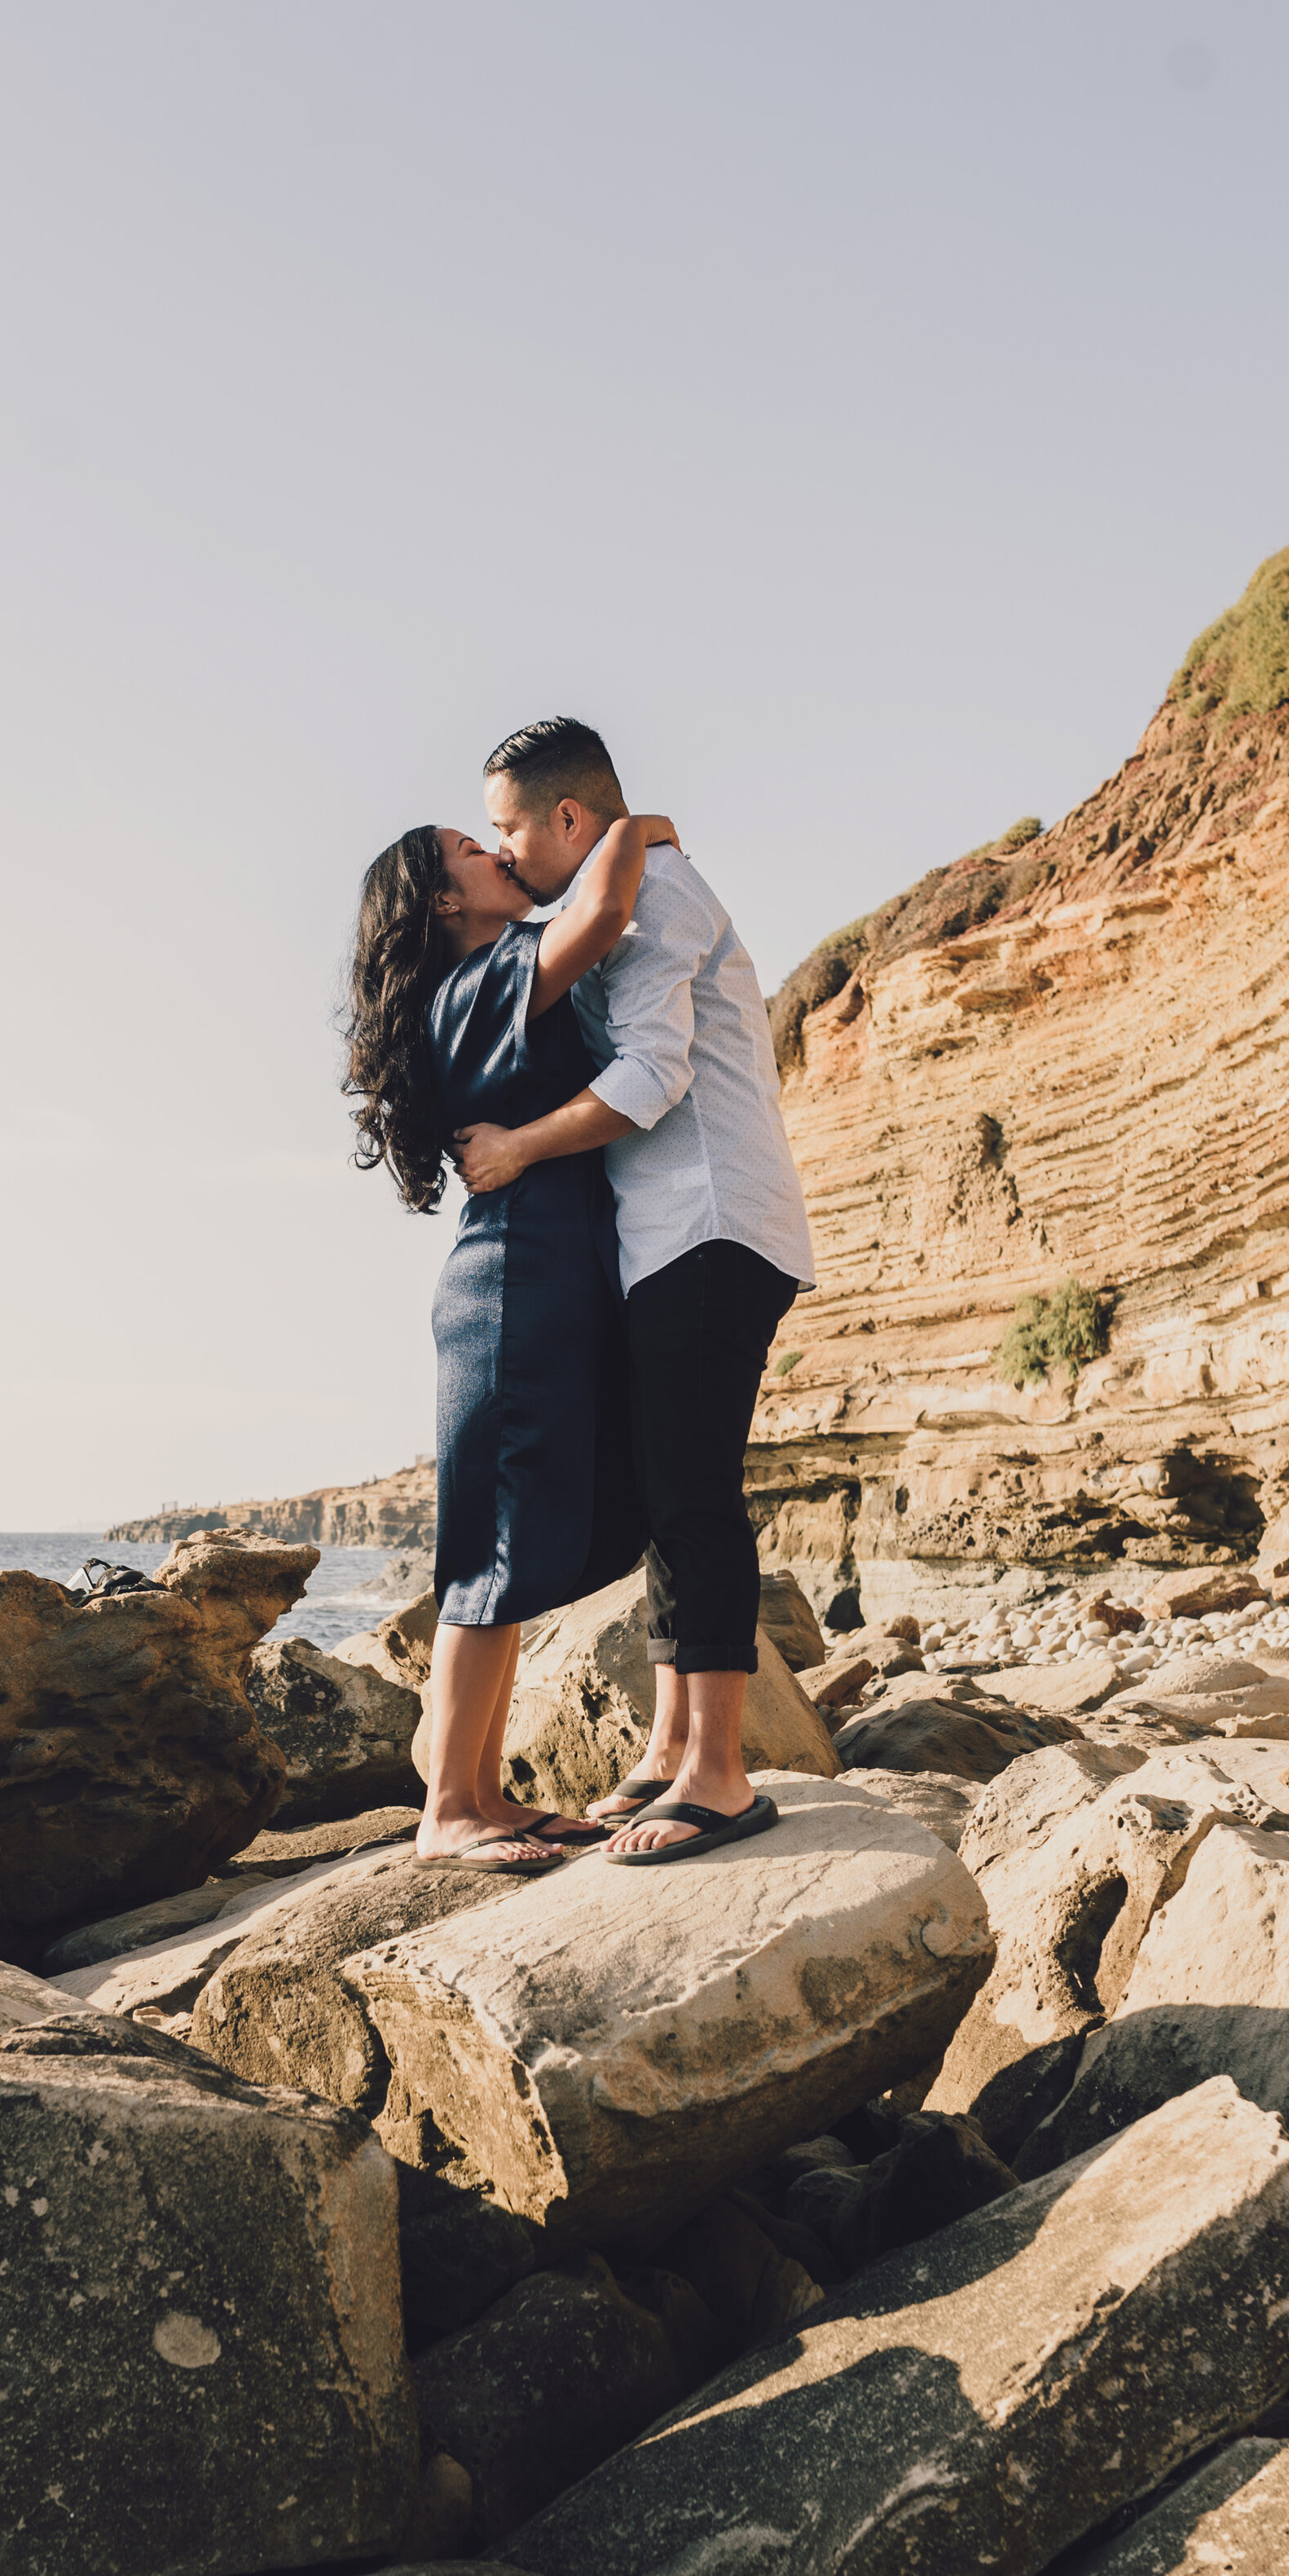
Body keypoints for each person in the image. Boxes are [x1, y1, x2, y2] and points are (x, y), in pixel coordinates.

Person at [459, 716, 815, 1869]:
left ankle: (719, 1771)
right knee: (670, 1491)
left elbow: (655, 1077)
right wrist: (644, 828)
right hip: (675, 1237)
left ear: (569, 819)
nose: (502, 852)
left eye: (512, 827)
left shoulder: (657, 896)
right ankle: (670, 1748)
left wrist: (516, 1150)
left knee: (694, 1491)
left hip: (710, 1227)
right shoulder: (632, 877)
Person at [345, 811, 675, 1863]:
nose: (498, 854)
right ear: (445, 901)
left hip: (539, 1282)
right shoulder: (482, 980)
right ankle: (451, 1807)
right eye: (472, 851)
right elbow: (609, 907)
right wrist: (633, 824)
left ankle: (482, 1793)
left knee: (511, 1542)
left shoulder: (492, 982)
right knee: (488, 1553)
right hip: (511, 1287)